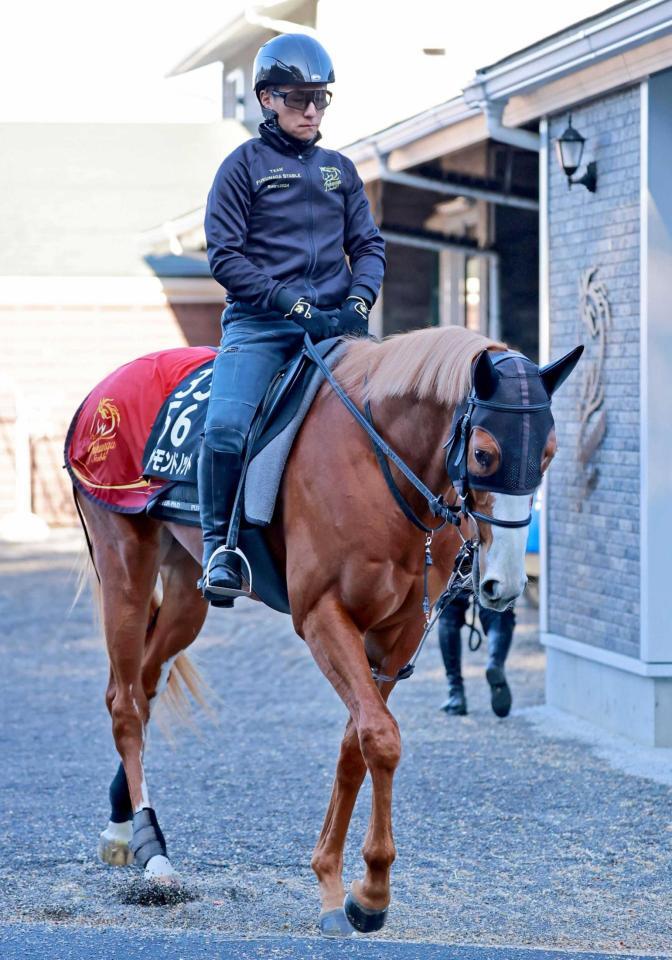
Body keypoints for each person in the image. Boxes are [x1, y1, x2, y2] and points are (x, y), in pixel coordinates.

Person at [199, 33, 386, 605]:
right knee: (225, 430)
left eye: (321, 99)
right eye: (300, 99)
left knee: (404, 412)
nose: (312, 111)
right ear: (267, 99)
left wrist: (359, 302)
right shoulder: (241, 167)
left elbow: (368, 246)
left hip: (337, 327)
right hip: (261, 327)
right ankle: (220, 550)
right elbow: (224, 256)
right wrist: (289, 303)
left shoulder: (340, 171)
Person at [438, 591, 515, 718]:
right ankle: (495, 662)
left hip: (454, 577)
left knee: (449, 609)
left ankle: (456, 693)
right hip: (488, 577)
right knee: (498, 607)